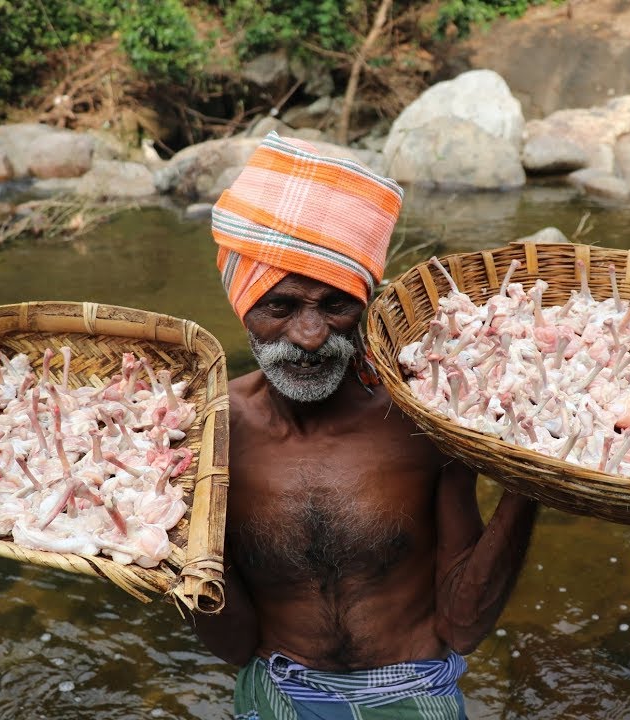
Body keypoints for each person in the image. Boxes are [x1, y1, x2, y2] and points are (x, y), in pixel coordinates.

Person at [191, 131, 541, 719]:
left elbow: (461, 625)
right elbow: (233, 645)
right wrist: (174, 556)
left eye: (335, 306)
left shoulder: (423, 419)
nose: (309, 336)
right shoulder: (211, 434)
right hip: (280, 688)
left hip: (415, 689)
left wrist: (530, 480)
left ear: (367, 306)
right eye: (281, 306)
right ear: (242, 308)